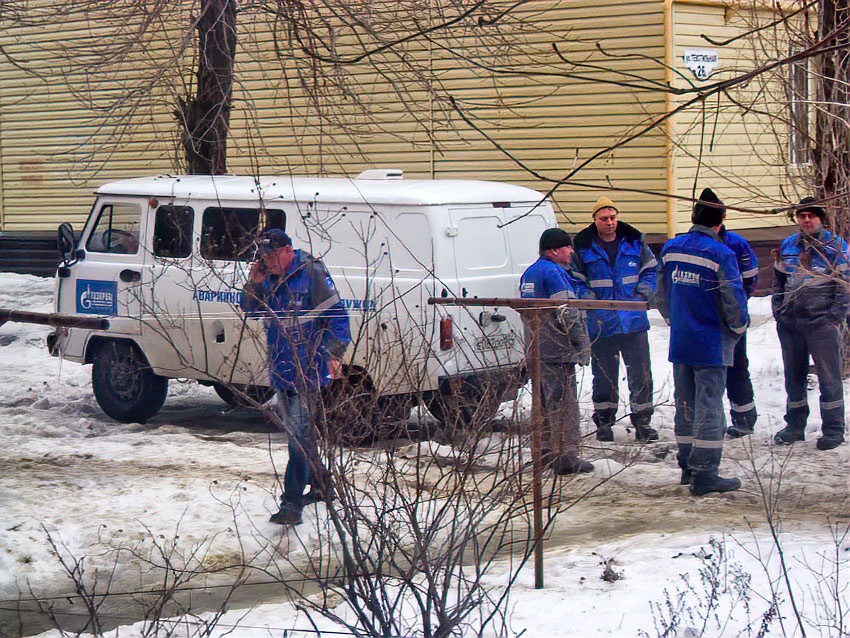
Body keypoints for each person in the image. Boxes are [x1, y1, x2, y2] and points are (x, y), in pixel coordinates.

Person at [241, 229, 351, 525]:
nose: (268, 261)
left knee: (297, 438)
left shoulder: (311, 273)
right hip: (281, 369)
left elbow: (338, 317)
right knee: (300, 434)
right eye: (263, 256)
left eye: (273, 254)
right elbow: (249, 310)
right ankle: (321, 483)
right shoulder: (268, 277)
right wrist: (255, 283)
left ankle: (292, 504)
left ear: (288, 249)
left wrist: (333, 353)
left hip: (308, 368)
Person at [657, 188, 749, 495]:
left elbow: (662, 294)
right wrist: (738, 328)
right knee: (710, 408)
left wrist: (675, 320)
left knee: (685, 405)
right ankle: (706, 474)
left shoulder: (671, 249)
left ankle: (686, 468)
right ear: (719, 222)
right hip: (711, 342)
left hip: (682, 340)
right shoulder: (722, 254)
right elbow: (734, 300)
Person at [571, 196, 659, 442]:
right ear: (595, 220)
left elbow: (651, 269)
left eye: (613, 217)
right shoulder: (583, 246)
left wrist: (644, 293)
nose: (610, 222)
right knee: (604, 376)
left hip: (633, 322)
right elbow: (575, 278)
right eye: (604, 218)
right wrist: (588, 299)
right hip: (602, 323)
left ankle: (643, 423)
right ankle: (604, 423)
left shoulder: (634, 241)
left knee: (641, 374)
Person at [772, 197, 849, 450]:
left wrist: (834, 316)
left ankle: (834, 430)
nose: (806, 220)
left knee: (829, 377)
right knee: (794, 376)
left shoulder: (835, 247)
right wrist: (779, 311)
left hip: (821, 322)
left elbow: (845, 285)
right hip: (791, 321)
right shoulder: (788, 245)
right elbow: (779, 281)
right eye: (802, 216)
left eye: (811, 216)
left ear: (821, 219)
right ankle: (794, 426)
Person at [520, 227, 594, 475]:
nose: (571, 252)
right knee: (563, 404)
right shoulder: (554, 274)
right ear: (553, 250)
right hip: (556, 348)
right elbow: (568, 312)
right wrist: (581, 344)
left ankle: (544, 453)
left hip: (536, 348)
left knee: (541, 402)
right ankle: (566, 456)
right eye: (567, 247)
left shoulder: (530, 273)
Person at [718, 223, 759, 437]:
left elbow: (750, 278)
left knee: (737, 367)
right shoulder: (692, 243)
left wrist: (738, 305)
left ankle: (744, 420)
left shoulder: (736, 243)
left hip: (732, 319)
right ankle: (710, 422)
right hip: (705, 320)